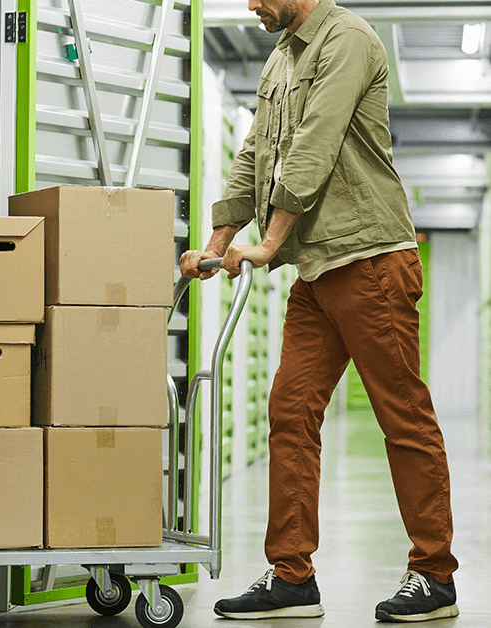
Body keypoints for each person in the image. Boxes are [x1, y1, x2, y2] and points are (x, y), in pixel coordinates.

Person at [180, 0, 460, 622]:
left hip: (370, 261)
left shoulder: (348, 39)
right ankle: (292, 576)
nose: (250, 5)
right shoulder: (282, 56)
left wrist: (270, 244)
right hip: (316, 269)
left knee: (402, 415)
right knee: (290, 409)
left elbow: (315, 147)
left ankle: (434, 576)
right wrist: (218, 244)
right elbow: (256, 150)